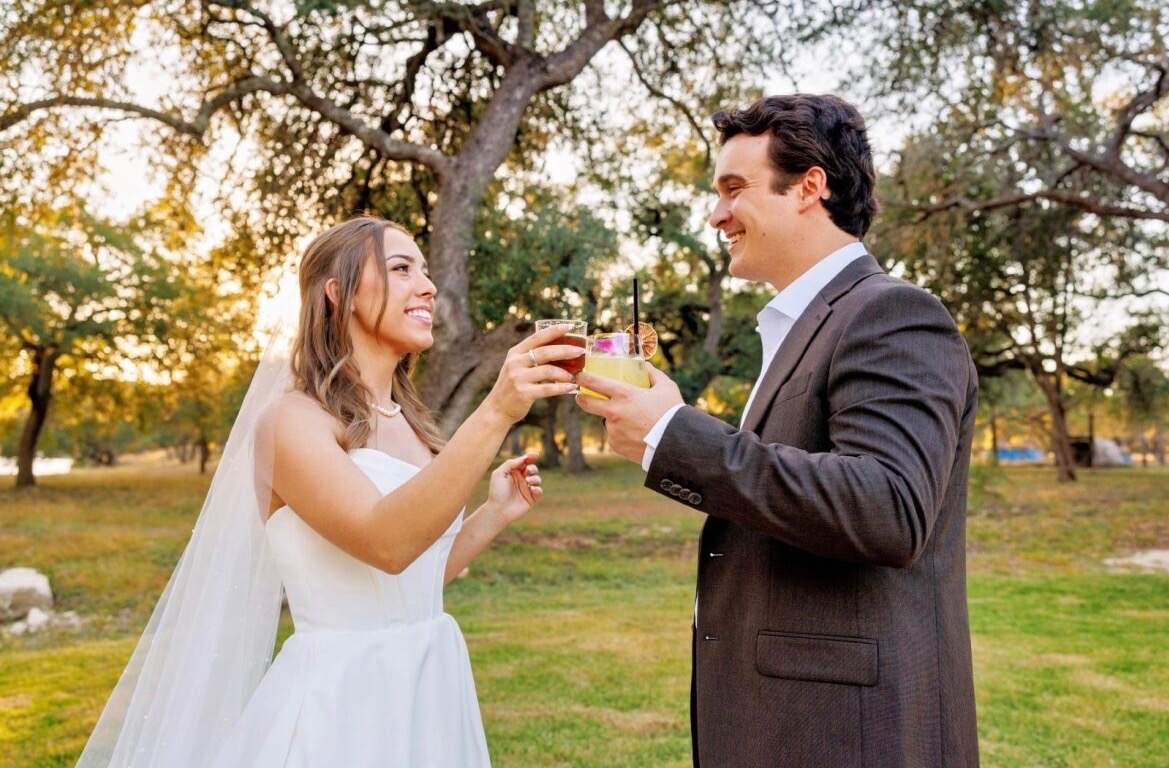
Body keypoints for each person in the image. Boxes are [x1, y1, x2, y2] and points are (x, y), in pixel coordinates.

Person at [76, 216, 584, 768]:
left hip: (428, 677)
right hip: (344, 699)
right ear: (339, 293)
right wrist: (497, 410)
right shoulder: (292, 420)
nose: (428, 286)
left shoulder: (410, 422)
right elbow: (386, 544)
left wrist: (493, 514)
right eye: (401, 268)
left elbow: (410, 581)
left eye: (426, 271)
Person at [577, 95, 980, 767]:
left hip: (851, 735)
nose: (716, 215)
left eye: (734, 189)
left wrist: (672, 434)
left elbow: (888, 508)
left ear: (809, 187)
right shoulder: (799, 328)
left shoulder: (893, 314)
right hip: (782, 721)